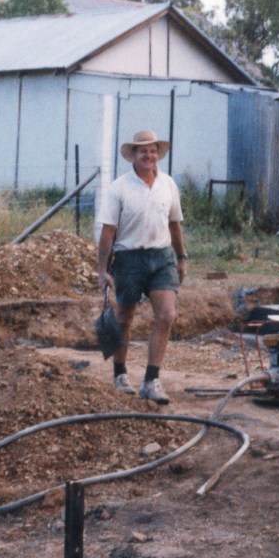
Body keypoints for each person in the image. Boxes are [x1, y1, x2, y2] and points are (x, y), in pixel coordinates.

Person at [95, 130, 187, 405]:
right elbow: (108, 232)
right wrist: (102, 270)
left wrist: (181, 256)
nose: (149, 156)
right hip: (128, 258)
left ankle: (151, 380)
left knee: (167, 315)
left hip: (162, 257)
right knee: (123, 318)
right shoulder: (119, 188)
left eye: (153, 151)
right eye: (143, 151)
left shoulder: (168, 184)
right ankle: (120, 375)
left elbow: (174, 223)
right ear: (133, 155)